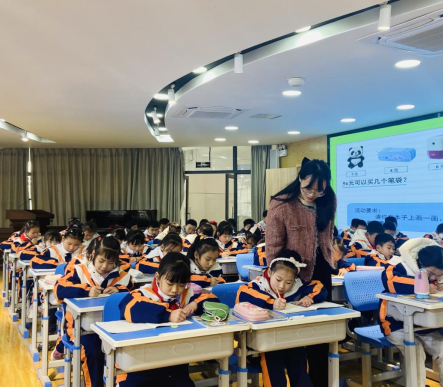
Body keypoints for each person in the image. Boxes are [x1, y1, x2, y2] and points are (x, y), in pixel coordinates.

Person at [266, 158, 336, 387]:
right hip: (290, 274)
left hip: (321, 270)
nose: (313, 194)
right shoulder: (281, 204)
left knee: (321, 333)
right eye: (308, 188)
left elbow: (328, 234)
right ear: (299, 179)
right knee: (291, 332)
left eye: (319, 190)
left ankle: (319, 382)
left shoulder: (329, 198)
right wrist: (277, 278)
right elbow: (273, 247)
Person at [118, 252, 217, 387]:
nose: (175, 290)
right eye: (170, 283)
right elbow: (128, 306)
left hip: (174, 364)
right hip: (139, 366)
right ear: (158, 277)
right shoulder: (144, 293)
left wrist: (194, 304)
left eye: (181, 285)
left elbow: (212, 299)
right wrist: (168, 315)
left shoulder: (186, 294)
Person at [379, 239, 443, 387]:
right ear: (420, 263)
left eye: (438, 275)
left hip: (424, 326)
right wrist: (423, 285)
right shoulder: (399, 264)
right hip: (395, 324)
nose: (433, 278)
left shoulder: (440, 266)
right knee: (416, 349)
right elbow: (390, 281)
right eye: (431, 273)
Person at [236, 249, 327, 387]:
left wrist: (310, 297)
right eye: (278, 279)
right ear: (270, 272)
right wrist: (270, 302)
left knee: (298, 354)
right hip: (260, 347)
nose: (282, 286)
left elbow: (319, 287)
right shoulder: (259, 285)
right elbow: (242, 294)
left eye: (289, 282)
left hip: (289, 341)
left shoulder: (297, 286)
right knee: (273, 357)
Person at [54, 237, 131, 387]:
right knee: (93, 351)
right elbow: (59, 289)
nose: (105, 266)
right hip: (80, 330)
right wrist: (86, 290)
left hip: (112, 329)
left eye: (110, 262)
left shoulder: (122, 275)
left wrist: (119, 290)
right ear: (93, 254)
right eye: (101, 260)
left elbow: (132, 292)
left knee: (125, 349)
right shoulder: (79, 271)